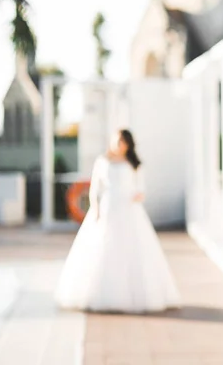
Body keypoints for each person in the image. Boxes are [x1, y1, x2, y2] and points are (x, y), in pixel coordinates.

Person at [55, 129, 181, 313]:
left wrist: (135, 196)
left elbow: (141, 189)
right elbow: (94, 188)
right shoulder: (102, 161)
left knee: (132, 249)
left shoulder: (134, 164)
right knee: (103, 248)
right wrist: (96, 208)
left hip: (129, 211)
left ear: (128, 144)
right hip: (108, 208)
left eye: (123, 142)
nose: (119, 145)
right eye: (117, 141)